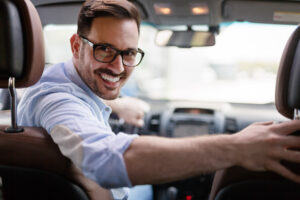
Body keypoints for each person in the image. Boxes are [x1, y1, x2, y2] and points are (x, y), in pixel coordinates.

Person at [17, 0, 300, 199]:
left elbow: (75, 95)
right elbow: (105, 159)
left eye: (128, 53)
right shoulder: (54, 98)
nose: (118, 67)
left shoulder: (55, 81)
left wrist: (116, 103)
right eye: (104, 50)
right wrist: (239, 147)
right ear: (76, 46)